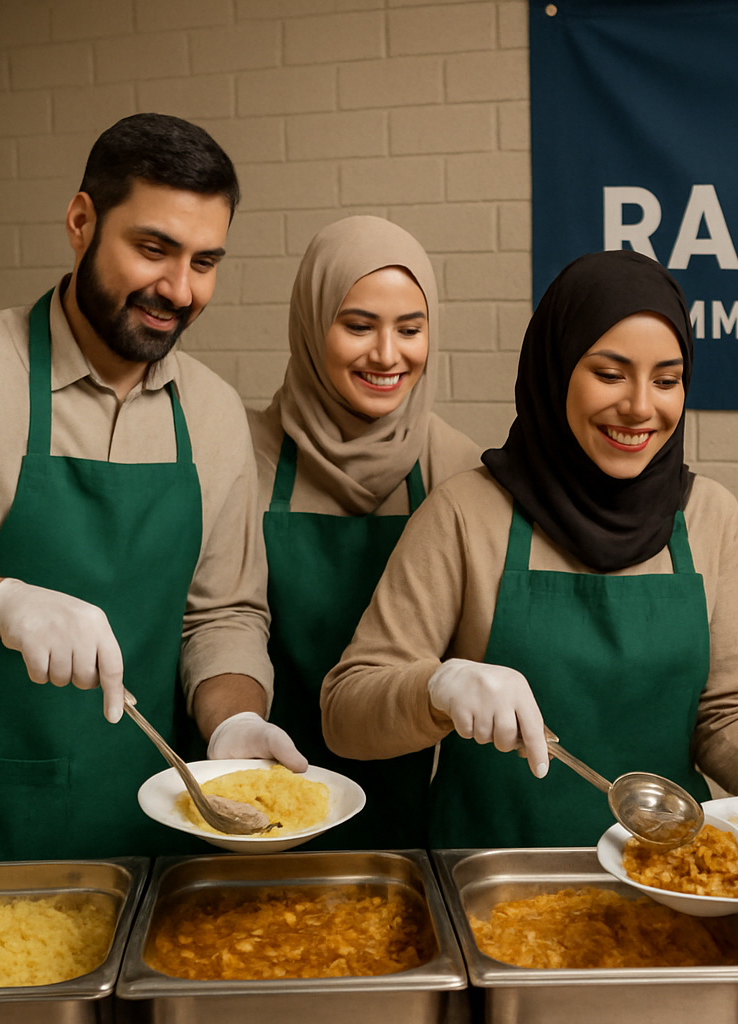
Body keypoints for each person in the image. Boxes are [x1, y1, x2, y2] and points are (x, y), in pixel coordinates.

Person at [321, 249, 738, 847]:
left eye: (666, 380)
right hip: (487, 873)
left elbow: (729, 707)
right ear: (556, 369)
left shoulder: (709, 517)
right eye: (610, 374)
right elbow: (345, 713)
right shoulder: (465, 512)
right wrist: (436, 688)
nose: (640, 407)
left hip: (668, 875)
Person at [0, 113, 294, 863]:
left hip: (147, 839)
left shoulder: (212, 415)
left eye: (205, 262)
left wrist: (234, 721)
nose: (179, 289)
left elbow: (223, 613)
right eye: (153, 250)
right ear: (81, 222)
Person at [247, 216, 480, 849]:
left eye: (410, 328)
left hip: (406, 799)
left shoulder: (459, 469)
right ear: (310, 324)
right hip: (253, 791)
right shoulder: (244, 458)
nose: (386, 354)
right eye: (357, 326)